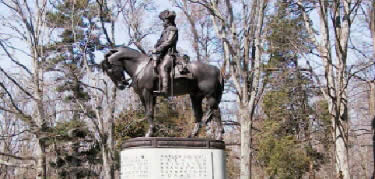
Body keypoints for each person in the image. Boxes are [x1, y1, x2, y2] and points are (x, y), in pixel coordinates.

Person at [152, 10, 179, 96]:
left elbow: (169, 42)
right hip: (161, 54)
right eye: (163, 20)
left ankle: (165, 90)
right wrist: (155, 47)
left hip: (170, 54)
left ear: (169, 20)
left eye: (164, 20)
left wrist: (158, 49)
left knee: (163, 67)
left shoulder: (173, 29)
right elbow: (160, 41)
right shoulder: (164, 31)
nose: (163, 22)